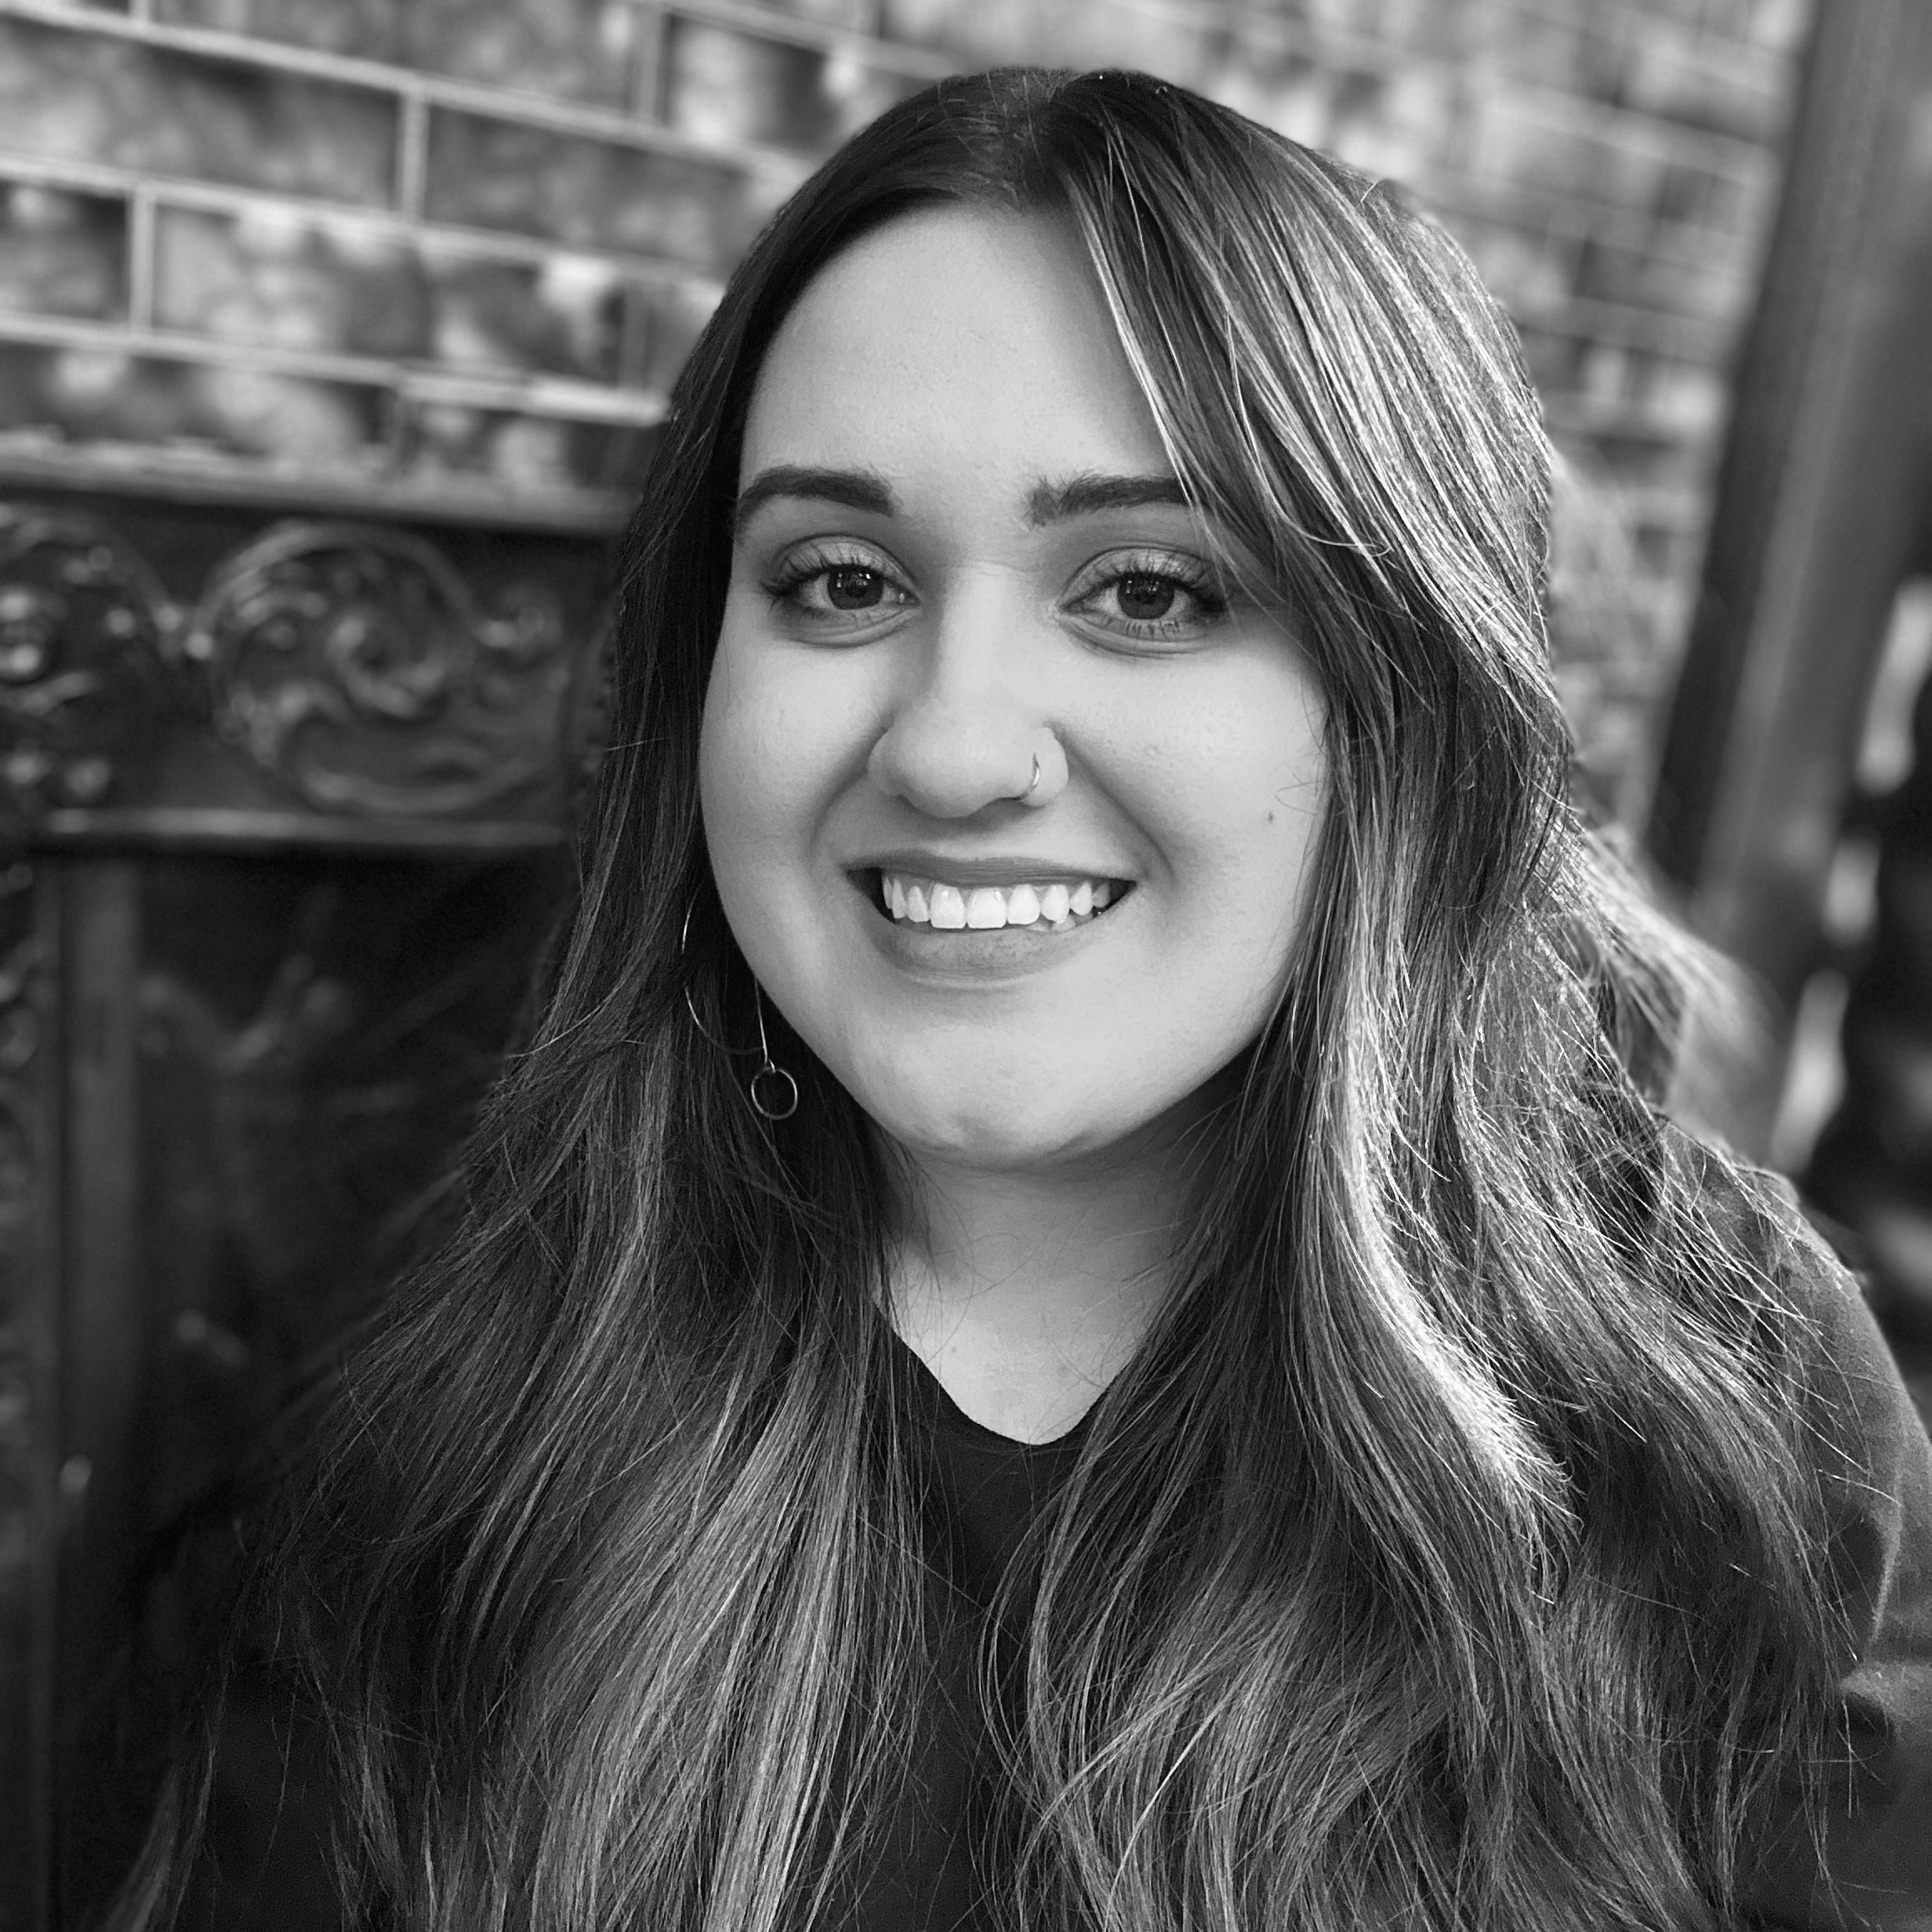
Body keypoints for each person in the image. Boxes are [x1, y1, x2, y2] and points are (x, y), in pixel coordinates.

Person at [115, 66, 1932, 1932]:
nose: (958, 744)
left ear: (1403, 704)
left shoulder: (1735, 1404)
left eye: (1149, 589)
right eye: (838, 580)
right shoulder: (456, 1451)